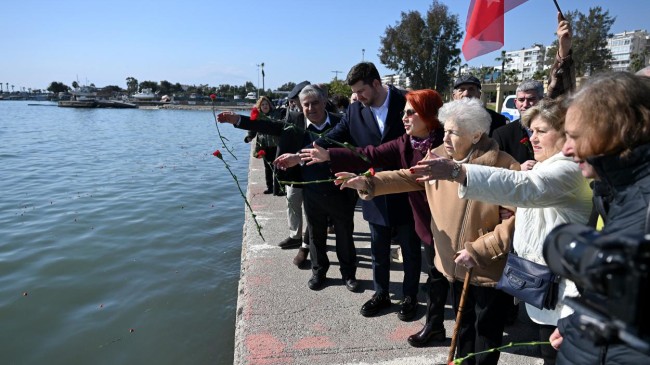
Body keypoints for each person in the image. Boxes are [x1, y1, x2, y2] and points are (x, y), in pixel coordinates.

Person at [337, 98, 518, 364]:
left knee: (486, 334)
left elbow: (514, 221)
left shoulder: (503, 165)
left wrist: (479, 250)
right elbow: (408, 176)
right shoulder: (438, 157)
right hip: (453, 265)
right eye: (444, 130)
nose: (444, 137)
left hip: (487, 267)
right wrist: (369, 182)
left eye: (453, 132)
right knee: (463, 328)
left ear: (476, 134)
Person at [420, 97, 593, 365]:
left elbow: (525, 188)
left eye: (542, 131)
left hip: (564, 295)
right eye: (531, 131)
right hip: (543, 286)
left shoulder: (568, 168)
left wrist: (457, 171)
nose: (533, 138)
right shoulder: (546, 165)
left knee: (552, 355)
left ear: (567, 132)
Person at [282, 89, 449, 336]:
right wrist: (337, 160)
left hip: (445, 221)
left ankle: (414, 301)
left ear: (429, 115)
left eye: (411, 112)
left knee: (435, 268)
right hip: (421, 217)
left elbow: (412, 176)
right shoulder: (405, 141)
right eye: (403, 112)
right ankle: (427, 321)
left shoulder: (447, 144)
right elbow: (371, 154)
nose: (404, 118)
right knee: (419, 266)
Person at [549, 72, 650, 365]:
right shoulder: (619, 193)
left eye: (574, 137)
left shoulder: (643, 210)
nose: (566, 149)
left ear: (616, 131)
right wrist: (575, 325)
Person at [217, 85, 360, 291]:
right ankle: (319, 272)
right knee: (316, 234)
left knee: (344, 235)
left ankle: (349, 274)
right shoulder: (295, 122)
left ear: (324, 101)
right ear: (301, 106)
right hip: (311, 191)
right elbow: (268, 126)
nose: (311, 108)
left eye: (315, 103)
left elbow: (355, 149)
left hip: (340, 188)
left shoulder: (340, 122)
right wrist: (238, 120)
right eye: (306, 104)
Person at [315, 62, 421, 320]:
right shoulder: (355, 111)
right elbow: (334, 137)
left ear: (376, 83)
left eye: (361, 91)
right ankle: (381, 293)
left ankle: (410, 296)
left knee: (410, 249)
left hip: (408, 189)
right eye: (355, 92)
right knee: (378, 249)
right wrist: (307, 150)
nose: (358, 97)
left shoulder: (407, 102)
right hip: (373, 190)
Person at [492, 12, 575, 166]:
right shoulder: (502, 135)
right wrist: (517, 170)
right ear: (515, 103)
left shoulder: (557, 126)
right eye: (521, 100)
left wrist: (564, 49)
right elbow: (493, 171)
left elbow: (559, 85)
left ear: (543, 100)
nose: (526, 104)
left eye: (531, 99)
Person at [244, 96, 284, 195]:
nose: (265, 106)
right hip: (264, 146)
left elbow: (280, 125)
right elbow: (252, 128)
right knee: (268, 168)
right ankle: (270, 187)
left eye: (266, 104)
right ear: (260, 106)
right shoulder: (258, 116)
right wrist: (249, 137)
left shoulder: (275, 114)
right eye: (262, 105)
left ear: (270, 105)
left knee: (278, 167)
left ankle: (280, 188)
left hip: (276, 145)